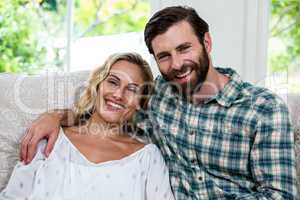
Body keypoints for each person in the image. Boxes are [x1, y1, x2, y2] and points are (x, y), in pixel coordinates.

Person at [19, 6, 297, 200]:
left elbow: (280, 195)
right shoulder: (155, 96)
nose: (176, 64)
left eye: (184, 48)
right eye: (164, 55)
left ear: (207, 42)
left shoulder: (263, 109)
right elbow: (110, 111)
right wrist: (56, 116)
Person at [0, 53, 175, 200]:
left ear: (140, 102)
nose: (118, 94)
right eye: (113, 82)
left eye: (132, 89)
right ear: (97, 86)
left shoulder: (147, 158)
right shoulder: (50, 140)